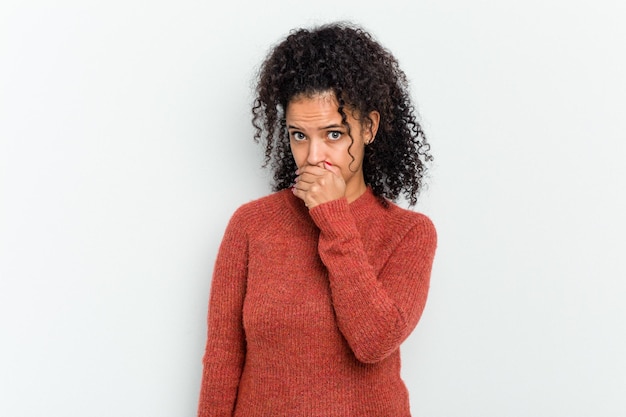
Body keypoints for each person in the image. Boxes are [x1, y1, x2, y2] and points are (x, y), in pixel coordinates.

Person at [197, 21, 437, 417]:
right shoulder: (251, 225)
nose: (312, 156)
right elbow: (223, 359)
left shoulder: (409, 234)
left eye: (333, 134)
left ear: (369, 128)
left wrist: (333, 219)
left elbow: (374, 341)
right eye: (298, 135)